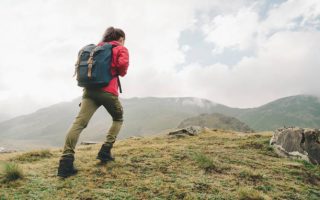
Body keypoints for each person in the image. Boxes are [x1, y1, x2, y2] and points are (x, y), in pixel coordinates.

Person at [57, 27, 129, 178]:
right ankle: (105, 151)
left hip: (89, 91)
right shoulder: (120, 48)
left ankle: (65, 163)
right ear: (120, 38)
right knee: (118, 118)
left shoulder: (96, 49)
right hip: (108, 91)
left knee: (79, 123)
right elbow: (122, 69)